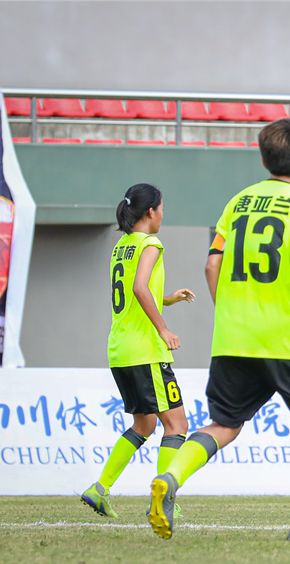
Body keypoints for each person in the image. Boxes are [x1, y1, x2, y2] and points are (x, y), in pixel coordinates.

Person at [147, 118, 290, 541]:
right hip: (285, 338)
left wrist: (230, 312)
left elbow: (212, 264)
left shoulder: (238, 202)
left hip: (233, 337)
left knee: (224, 424)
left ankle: (170, 477)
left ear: (263, 159)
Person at [81, 183, 195, 518]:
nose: (163, 215)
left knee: (144, 425)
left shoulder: (122, 246)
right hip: (146, 350)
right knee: (177, 425)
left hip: (121, 349)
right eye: (162, 209)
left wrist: (168, 299)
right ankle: (163, 501)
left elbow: (136, 292)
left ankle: (99, 489)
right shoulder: (151, 243)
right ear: (151, 211)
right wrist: (164, 329)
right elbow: (139, 288)